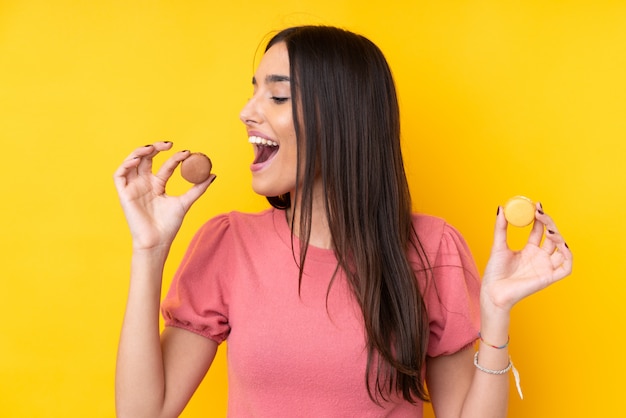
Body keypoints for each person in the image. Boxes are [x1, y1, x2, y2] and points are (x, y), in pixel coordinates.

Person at [113, 25, 572, 418]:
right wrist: (148, 251)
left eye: (276, 95)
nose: (246, 111)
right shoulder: (230, 243)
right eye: (253, 91)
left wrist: (494, 317)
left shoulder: (433, 249)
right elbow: (143, 412)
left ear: (340, 117)